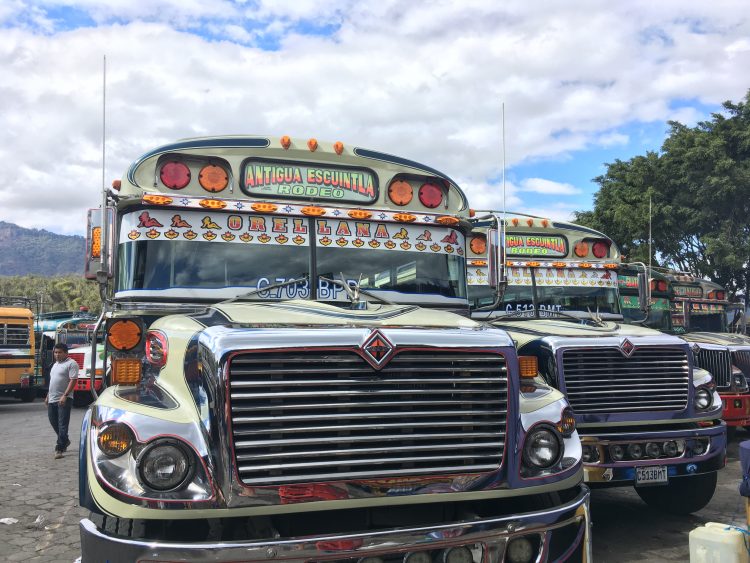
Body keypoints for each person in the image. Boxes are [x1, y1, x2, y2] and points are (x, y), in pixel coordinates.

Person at [45, 343, 79, 459]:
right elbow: (53, 382)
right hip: (52, 399)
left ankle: (59, 448)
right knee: (53, 422)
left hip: (64, 398)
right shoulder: (55, 365)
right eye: (55, 352)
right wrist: (48, 395)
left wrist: (65, 395)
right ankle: (65, 441)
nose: (57, 354)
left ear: (66, 353)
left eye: (59, 352)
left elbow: (73, 380)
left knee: (62, 425)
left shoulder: (71, 364)